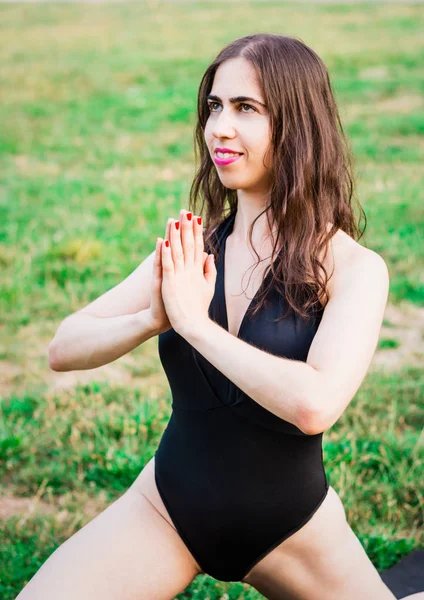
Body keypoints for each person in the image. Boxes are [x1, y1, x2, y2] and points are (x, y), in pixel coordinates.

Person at [17, 34, 421, 600]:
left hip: (293, 528)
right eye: (215, 106)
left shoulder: (353, 268)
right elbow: (64, 347)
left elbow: (314, 406)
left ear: (298, 123)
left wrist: (195, 326)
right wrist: (152, 319)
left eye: (246, 109)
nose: (219, 128)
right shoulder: (194, 246)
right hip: (167, 509)